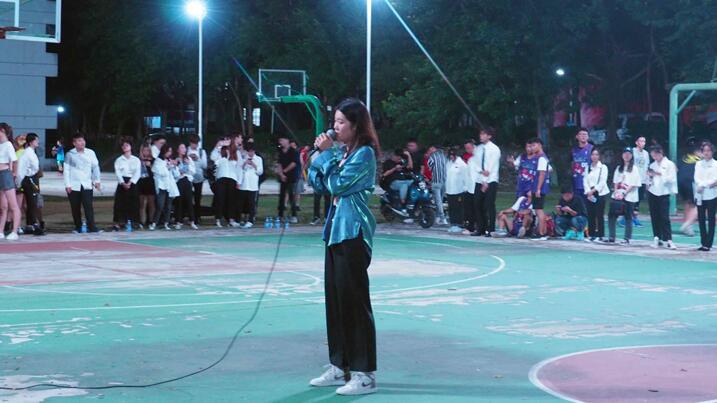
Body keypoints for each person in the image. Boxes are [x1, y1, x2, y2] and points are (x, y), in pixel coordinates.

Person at [308, 98, 379, 396]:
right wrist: (318, 158)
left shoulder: (365, 154)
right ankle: (340, 365)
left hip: (352, 233)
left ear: (355, 125)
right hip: (335, 232)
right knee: (335, 301)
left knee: (354, 303)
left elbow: (338, 186)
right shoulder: (342, 153)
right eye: (334, 121)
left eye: (340, 122)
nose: (334, 127)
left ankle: (365, 374)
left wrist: (326, 157)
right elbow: (321, 185)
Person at [64, 133, 102, 234]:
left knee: (88, 206)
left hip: (87, 184)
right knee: (75, 207)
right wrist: (67, 185)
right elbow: (66, 170)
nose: (82, 143)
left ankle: (92, 227)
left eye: (83, 140)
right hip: (74, 185)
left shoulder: (90, 153)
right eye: (79, 141)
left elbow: (95, 167)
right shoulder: (70, 154)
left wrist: (97, 180)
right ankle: (78, 227)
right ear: (74, 143)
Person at [607, 148, 642, 244]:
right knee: (612, 215)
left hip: (629, 196)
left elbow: (634, 183)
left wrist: (624, 193)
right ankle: (611, 236)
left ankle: (627, 238)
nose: (627, 155)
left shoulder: (634, 168)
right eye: (625, 153)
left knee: (628, 217)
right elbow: (615, 182)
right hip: (617, 196)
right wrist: (616, 192)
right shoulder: (619, 168)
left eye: (629, 154)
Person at [471, 127, 501, 236]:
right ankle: (481, 228)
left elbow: (491, 168)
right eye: (480, 134)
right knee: (477, 203)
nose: (481, 136)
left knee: (489, 204)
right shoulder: (478, 149)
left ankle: (491, 229)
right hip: (479, 179)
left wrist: (486, 181)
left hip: (491, 180)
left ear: (489, 136)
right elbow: (475, 163)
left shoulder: (494, 149)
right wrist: (480, 172)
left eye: (484, 134)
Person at [647, 145, 678, 250]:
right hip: (653, 192)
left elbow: (672, 178)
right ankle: (657, 237)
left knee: (664, 217)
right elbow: (649, 179)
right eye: (652, 155)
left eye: (655, 154)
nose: (654, 157)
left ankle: (669, 239)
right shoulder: (652, 165)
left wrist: (659, 174)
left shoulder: (669, 164)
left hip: (664, 193)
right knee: (654, 216)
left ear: (660, 153)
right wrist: (650, 178)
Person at [16, 133, 43, 235]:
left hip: (32, 178)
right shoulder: (27, 153)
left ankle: (30, 224)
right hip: (29, 179)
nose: (38, 142)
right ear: (31, 142)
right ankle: (33, 224)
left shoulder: (31, 152)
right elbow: (21, 169)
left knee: (33, 202)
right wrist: (19, 182)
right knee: (32, 202)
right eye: (36, 140)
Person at [112, 138, 141, 231]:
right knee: (120, 203)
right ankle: (120, 222)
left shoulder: (136, 159)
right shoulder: (119, 160)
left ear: (131, 147)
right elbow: (117, 172)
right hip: (122, 182)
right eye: (123, 146)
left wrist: (130, 182)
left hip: (132, 182)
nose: (125, 147)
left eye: (127, 145)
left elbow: (137, 172)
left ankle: (134, 222)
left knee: (134, 203)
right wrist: (122, 182)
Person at [149, 144, 179, 231]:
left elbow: (176, 174)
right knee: (160, 205)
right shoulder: (158, 161)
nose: (170, 153)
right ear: (164, 151)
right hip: (161, 186)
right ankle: (154, 223)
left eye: (170, 151)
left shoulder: (169, 160)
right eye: (168, 151)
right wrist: (168, 166)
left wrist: (174, 166)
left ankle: (166, 223)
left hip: (170, 186)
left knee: (168, 206)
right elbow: (161, 172)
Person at [583, 148, 609, 241]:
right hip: (589, 193)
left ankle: (600, 234)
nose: (594, 156)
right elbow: (585, 180)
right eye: (593, 154)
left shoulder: (603, 167)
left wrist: (593, 190)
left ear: (599, 156)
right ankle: (591, 234)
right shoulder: (588, 167)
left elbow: (602, 181)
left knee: (599, 214)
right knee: (590, 214)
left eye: (596, 154)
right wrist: (588, 191)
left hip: (600, 193)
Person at [694, 142, 717, 251]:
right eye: (704, 151)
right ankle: (703, 242)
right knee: (701, 219)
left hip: (712, 195)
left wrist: (704, 185)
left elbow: (715, 180)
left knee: (711, 219)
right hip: (700, 194)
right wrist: (702, 184)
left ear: (712, 152)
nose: (706, 153)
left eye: (708, 151)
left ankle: (709, 243)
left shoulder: (716, 164)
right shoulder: (698, 164)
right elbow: (696, 177)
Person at [212, 145, 242, 227]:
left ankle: (231, 219)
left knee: (231, 200)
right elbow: (215, 163)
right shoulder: (220, 159)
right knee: (220, 199)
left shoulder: (234, 159)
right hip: (221, 179)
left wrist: (239, 181)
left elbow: (238, 170)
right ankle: (218, 219)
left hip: (232, 179)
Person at [0, 123, 21, 240]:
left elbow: (15, 161)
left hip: (5, 174)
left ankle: (14, 231)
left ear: (3, 131)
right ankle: (1, 231)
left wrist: (14, 174)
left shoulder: (8, 145)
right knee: (3, 206)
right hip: (1, 175)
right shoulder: (1, 145)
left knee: (13, 205)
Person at [677, 138, 701, 236]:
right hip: (692, 182)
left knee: (688, 203)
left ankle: (687, 225)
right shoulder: (701, 159)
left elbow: (676, 168)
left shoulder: (683, 157)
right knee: (699, 205)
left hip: (680, 182)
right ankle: (687, 225)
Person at [172, 143, 198, 230]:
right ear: (178, 150)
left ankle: (192, 221)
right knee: (179, 201)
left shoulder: (188, 159)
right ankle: (178, 221)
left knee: (189, 201)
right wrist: (176, 166)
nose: (183, 149)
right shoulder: (175, 159)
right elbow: (173, 172)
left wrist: (188, 165)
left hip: (187, 180)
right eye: (181, 148)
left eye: (184, 148)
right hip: (179, 181)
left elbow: (193, 171)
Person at [445, 147, 470, 233]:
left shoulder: (462, 164)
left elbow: (466, 177)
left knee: (458, 208)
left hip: (459, 190)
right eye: (450, 155)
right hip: (449, 190)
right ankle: (453, 224)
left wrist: (465, 188)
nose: (451, 156)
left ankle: (459, 224)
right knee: (451, 208)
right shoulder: (448, 163)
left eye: (453, 155)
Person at [238, 143, 263, 228]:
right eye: (249, 151)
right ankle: (240, 219)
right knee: (241, 203)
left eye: (252, 151)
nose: (250, 153)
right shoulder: (243, 158)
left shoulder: (258, 159)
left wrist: (254, 165)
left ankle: (251, 220)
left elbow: (260, 172)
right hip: (243, 184)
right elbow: (239, 169)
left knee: (251, 203)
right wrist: (245, 163)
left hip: (253, 185)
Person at [276, 135, 300, 223]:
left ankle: (294, 215)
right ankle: (280, 215)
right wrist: (281, 174)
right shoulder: (280, 151)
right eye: (280, 141)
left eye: (282, 140)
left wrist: (285, 171)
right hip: (282, 177)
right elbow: (279, 163)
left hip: (291, 176)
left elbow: (294, 163)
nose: (280, 142)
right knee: (281, 196)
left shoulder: (293, 151)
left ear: (287, 140)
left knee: (291, 196)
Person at [630, 136, 650, 227]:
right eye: (641, 141)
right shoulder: (632, 151)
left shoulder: (646, 153)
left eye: (644, 141)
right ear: (636, 142)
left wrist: (647, 181)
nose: (642, 143)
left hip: (642, 180)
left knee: (638, 200)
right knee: (632, 199)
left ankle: (635, 218)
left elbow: (646, 167)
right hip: (633, 180)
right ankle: (628, 218)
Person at [188, 135, 207, 225]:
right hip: (188, 176)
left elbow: (205, 165)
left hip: (199, 177)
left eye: (196, 143)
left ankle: (197, 217)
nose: (194, 145)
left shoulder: (201, 152)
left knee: (198, 197)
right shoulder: (186, 150)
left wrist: (198, 159)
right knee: (188, 198)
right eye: (193, 143)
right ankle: (189, 216)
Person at [427, 145, 449, 225]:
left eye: (430, 149)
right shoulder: (445, 157)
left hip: (436, 181)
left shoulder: (432, 157)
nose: (429, 150)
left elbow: (430, 166)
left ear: (434, 149)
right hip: (444, 181)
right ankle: (438, 217)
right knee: (440, 200)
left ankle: (442, 218)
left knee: (438, 201)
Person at [571, 128, 594, 203]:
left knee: (590, 204)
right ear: (577, 136)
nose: (583, 136)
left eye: (585, 134)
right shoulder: (573, 150)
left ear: (588, 136)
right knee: (578, 204)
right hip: (577, 182)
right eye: (581, 134)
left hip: (589, 183)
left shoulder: (592, 149)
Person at [137, 143, 156, 229]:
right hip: (141, 182)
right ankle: (141, 221)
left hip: (150, 182)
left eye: (147, 150)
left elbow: (156, 170)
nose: (146, 152)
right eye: (144, 150)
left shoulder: (153, 160)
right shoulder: (138, 160)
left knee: (151, 203)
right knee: (141, 203)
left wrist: (150, 165)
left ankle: (150, 221)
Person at [461, 139, 478, 234]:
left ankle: (479, 226)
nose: (467, 150)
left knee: (477, 208)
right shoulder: (469, 159)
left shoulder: (479, 157)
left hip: (477, 186)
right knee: (468, 208)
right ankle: (470, 226)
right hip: (469, 187)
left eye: (469, 147)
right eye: (466, 148)